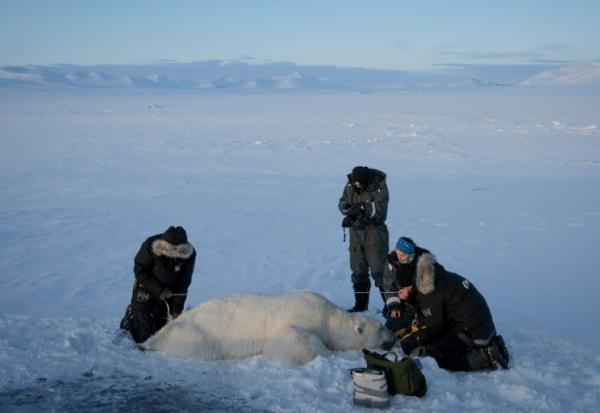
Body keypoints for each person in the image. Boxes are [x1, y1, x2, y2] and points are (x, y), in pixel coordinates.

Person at [384, 236, 509, 371]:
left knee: (436, 355)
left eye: (406, 287)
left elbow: (435, 326)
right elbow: (432, 315)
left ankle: (487, 357)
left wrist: (413, 340)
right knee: (430, 342)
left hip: (474, 332)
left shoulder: (427, 291)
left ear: (412, 283)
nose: (403, 291)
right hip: (469, 322)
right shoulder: (430, 276)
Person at [120, 226, 196, 343]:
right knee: (143, 338)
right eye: (171, 252)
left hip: (170, 294)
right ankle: (130, 317)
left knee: (162, 335)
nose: (174, 256)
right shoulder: (150, 246)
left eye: (178, 253)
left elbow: (184, 283)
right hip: (146, 289)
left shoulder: (189, 254)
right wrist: (159, 290)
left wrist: (176, 308)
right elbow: (139, 270)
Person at [338, 166, 389, 312]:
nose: (357, 186)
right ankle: (360, 305)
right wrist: (349, 212)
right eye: (356, 183)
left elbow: (380, 210)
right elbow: (342, 203)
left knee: (380, 271)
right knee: (358, 269)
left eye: (360, 183)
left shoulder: (379, 186)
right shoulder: (350, 184)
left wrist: (361, 209)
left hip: (375, 232)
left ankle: (390, 306)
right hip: (356, 233)